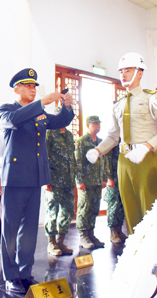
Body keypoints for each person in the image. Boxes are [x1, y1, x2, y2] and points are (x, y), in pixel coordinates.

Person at [0, 68, 74, 295]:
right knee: (10, 232)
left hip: (34, 179)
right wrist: (41, 102)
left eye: (34, 86)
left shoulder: (39, 113)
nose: (33, 89)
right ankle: (10, 276)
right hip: (14, 180)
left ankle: (24, 272)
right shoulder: (7, 110)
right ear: (16, 89)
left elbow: (60, 120)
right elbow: (13, 121)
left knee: (29, 231)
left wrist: (67, 106)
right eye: (28, 86)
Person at [86, 52, 157, 234]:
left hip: (145, 159)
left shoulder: (153, 98)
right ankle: (136, 253)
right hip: (124, 160)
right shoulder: (118, 104)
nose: (123, 75)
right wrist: (97, 150)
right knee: (130, 211)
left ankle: (155, 256)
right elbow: (113, 136)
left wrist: (147, 147)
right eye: (121, 71)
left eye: (128, 70)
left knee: (150, 212)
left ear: (140, 73)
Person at [44, 108, 76, 256]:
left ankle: (61, 241)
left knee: (67, 211)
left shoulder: (69, 135)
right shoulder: (49, 133)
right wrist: (45, 180)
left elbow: (72, 157)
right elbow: (44, 157)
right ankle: (51, 242)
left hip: (68, 180)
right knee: (52, 211)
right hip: (54, 180)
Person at [75, 116, 104, 249]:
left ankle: (91, 234)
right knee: (84, 209)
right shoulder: (81, 141)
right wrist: (79, 180)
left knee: (94, 208)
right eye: (95, 123)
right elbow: (78, 162)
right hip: (86, 182)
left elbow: (103, 161)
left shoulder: (101, 142)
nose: (97, 126)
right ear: (88, 125)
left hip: (97, 181)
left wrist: (103, 178)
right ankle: (83, 235)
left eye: (99, 123)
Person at [102, 145, 127, 244]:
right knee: (113, 205)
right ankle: (113, 232)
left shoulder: (124, 141)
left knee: (121, 204)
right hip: (113, 178)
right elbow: (106, 160)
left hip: (122, 176)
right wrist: (108, 178)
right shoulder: (112, 141)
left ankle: (119, 230)